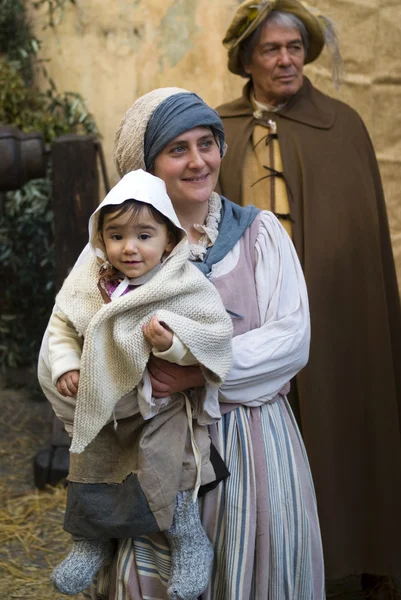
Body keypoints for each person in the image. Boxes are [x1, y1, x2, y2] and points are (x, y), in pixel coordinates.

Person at [71, 86, 325, 600]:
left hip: (252, 442)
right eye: (177, 149)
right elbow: (70, 336)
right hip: (149, 449)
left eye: (206, 143)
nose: (197, 161)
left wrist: (199, 369)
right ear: (148, 165)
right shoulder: (115, 249)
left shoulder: (258, 235)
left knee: (256, 571)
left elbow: (291, 341)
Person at [217, 0, 401, 597]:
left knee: (343, 419)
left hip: (332, 308)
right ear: (247, 59)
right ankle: (263, 564)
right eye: (271, 49)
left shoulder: (342, 126)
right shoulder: (218, 130)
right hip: (246, 314)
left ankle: (353, 555)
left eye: (294, 48)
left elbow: (359, 236)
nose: (286, 60)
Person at [38, 168, 234, 599]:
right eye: (116, 235)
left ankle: (187, 539)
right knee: (90, 462)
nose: (130, 248)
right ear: (101, 240)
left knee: (170, 467)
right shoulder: (94, 283)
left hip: (161, 410)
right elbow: (64, 327)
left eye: (144, 236)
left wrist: (171, 345)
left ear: (169, 240)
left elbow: (213, 338)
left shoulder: (182, 284)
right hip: (106, 406)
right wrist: (67, 365)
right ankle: (90, 542)